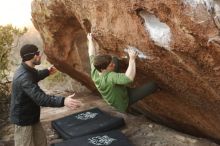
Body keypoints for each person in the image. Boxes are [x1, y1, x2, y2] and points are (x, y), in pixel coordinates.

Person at [10, 44, 81, 146]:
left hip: (32, 117)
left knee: (41, 143)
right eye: (37, 53)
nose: (40, 55)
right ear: (31, 56)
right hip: (23, 120)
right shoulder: (24, 77)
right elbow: (41, 99)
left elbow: (35, 75)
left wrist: (47, 72)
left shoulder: (27, 69)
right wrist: (63, 101)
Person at [87, 33, 157, 112]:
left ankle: (120, 84)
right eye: (110, 65)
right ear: (103, 69)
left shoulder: (95, 66)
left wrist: (90, 40)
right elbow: (129, 78)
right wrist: (132, 59)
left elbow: (91, 53)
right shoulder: (110, 77)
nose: (113, 65)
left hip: (115, 93)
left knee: (115, 59)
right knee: (153, 85)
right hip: (123, 101)